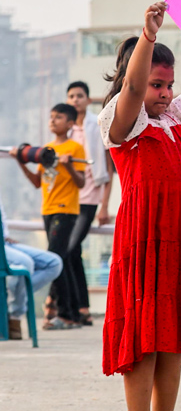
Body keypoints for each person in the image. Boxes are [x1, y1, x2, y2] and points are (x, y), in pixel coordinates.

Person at [98, 2, 181, 411]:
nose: (165, 93)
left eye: (168, 84)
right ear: (134, 78)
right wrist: (148, 36)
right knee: (144, 335)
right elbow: (133, 90)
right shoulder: (121, 119)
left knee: (172, 336)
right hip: (145, 238)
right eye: (156, 84)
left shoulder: (175, 116)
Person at [10, 103, 86, 330]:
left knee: (55, 259)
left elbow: (81, 182)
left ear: (71, 123)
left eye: (59, 117)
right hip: (48, 209)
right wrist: (20, 162)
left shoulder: (75, 148)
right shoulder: (47, 149)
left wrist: (69, 167)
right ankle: (70, 314)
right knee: (59, 260)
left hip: (65, 210)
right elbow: (37, 182)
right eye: (51, 117)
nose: (53, 120)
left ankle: (67, 314)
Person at [66, 80, 112, 326]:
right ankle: (81, 308)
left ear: (87, 98)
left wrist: (104, 206)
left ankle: (72, 306)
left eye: (79, 95)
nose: (75, 100)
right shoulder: (66, 129)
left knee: (70, 249)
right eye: (71, 96)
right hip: (69, 198)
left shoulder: (97, 125)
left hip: (91, 197)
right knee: (71, 252)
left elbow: (108, 167)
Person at [2, 196, 63, 340]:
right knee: (25, 263)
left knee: (54, 263)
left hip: (5, 243)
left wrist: (4, 236)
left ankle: (9, 305)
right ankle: (15, 317)